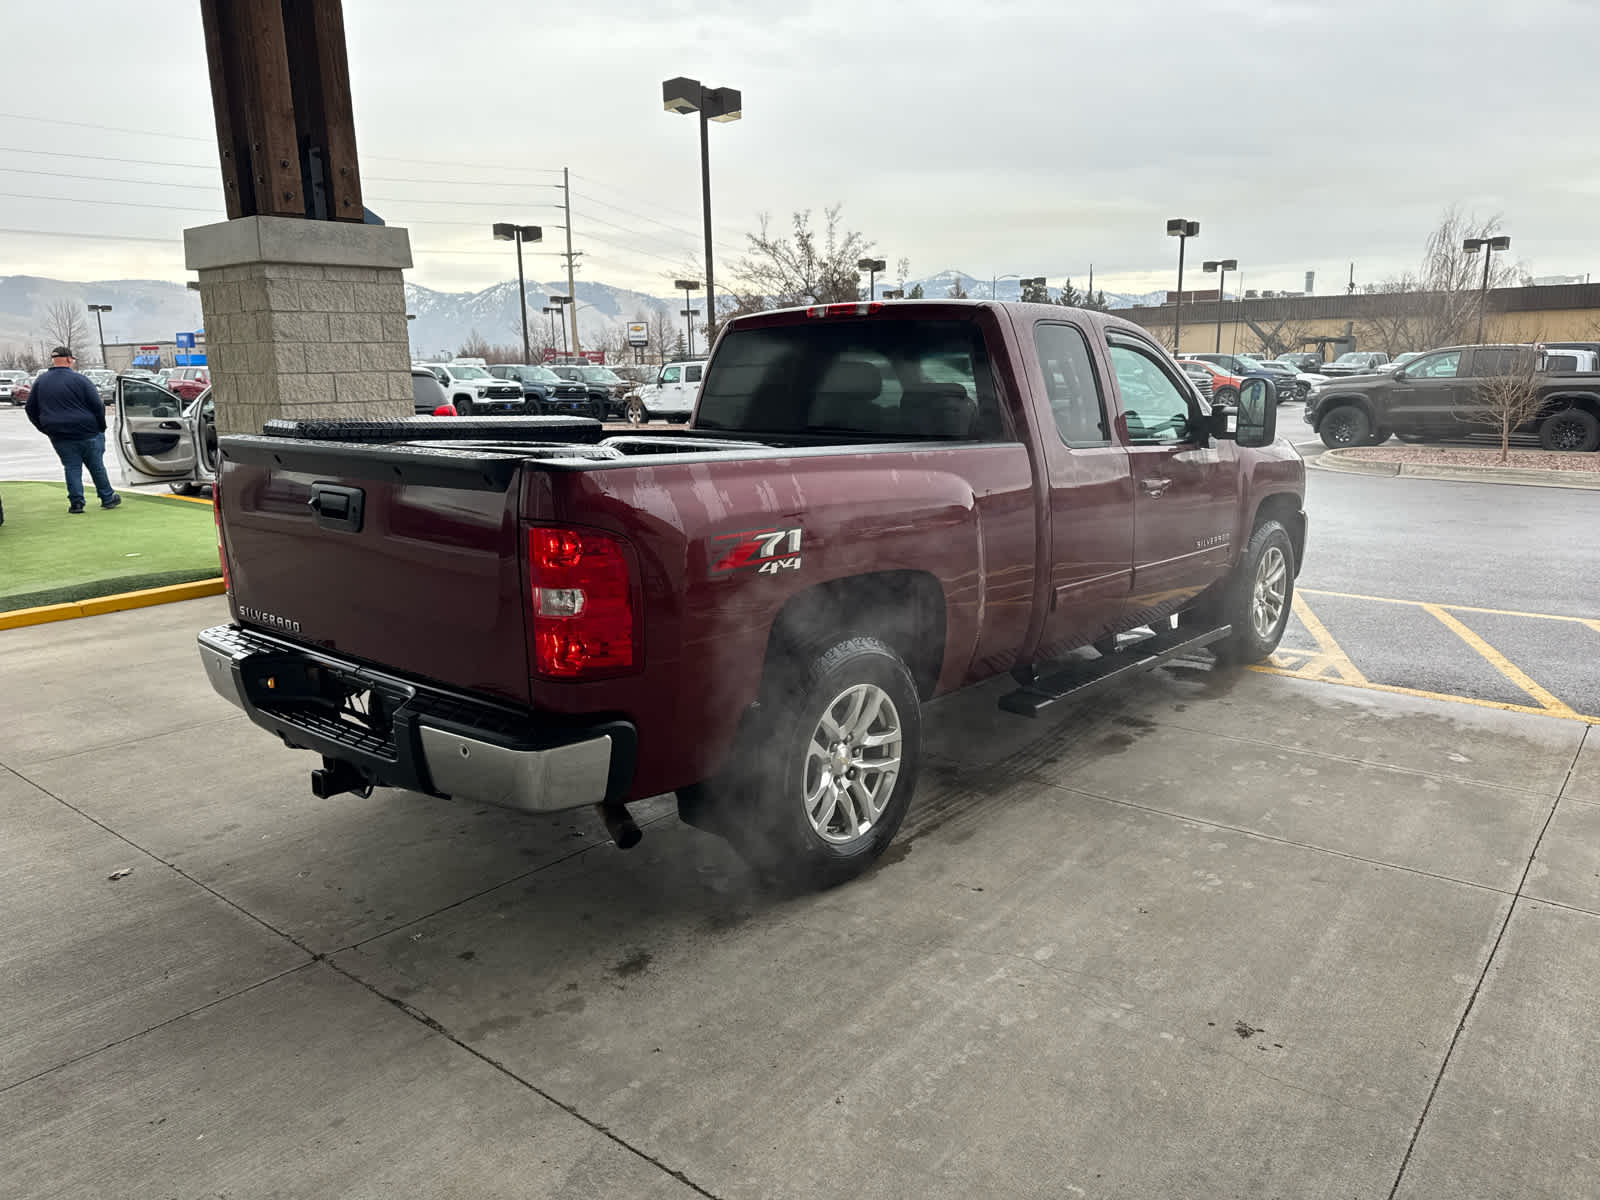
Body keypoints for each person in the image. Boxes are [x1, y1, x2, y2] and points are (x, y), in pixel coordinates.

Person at [24, 346, 121, 513]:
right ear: (69, 359)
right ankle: (107, 498)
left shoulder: (41, 382)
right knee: (96, 466)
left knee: (71, 467)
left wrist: (44, 427)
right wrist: (100, 427)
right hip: (87, 430)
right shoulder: (80, 380)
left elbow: (30, 408)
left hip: (59, 434)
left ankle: (76, 503)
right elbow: (97, 405)